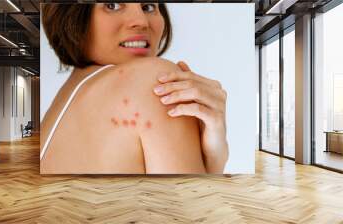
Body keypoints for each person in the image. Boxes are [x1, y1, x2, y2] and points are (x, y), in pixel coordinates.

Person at [40, 3, 228, 174]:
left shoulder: (58, 108)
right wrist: (214, 160)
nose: (141, 22)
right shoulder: (156, 81)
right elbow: (191, 208)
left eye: (148, 7)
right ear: (74, 16)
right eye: (112, 5)